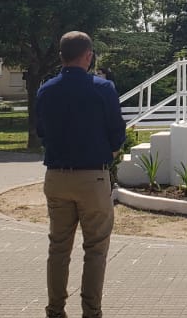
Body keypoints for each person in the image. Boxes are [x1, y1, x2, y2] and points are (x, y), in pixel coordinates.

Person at [35, 31, 126, 318]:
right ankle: (91, 311)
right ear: (88, 55)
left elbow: (41, 131)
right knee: (96, 249)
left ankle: (55, 310)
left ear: (61, 55)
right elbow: (117, 131)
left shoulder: (46, 90)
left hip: (57, 175)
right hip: (92, 176)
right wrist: (110, 152)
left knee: (58, 248)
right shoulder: (103, 88)